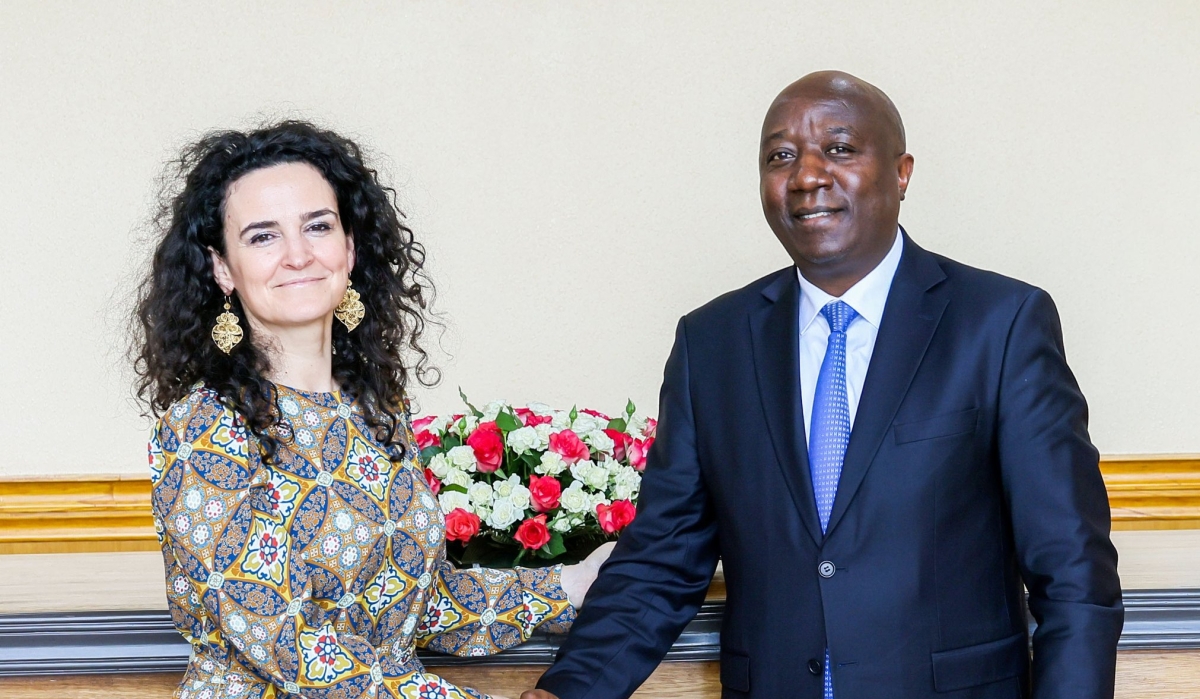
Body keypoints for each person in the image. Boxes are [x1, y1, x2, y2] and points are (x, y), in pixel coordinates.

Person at [521, 72, 1123, 699]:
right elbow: (662, 558)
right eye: (781, 156)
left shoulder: (999, 324)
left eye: (839, 149)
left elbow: (1072, 571)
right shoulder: (712, 342)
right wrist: (567, 689)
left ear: (902, 172)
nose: (807, 176)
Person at [132, 121, 612, 699]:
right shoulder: (204, 427)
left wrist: (572, 583)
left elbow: (419, 606)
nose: (298, 255)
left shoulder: (375, 410)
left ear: (350, 247)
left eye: (318, 226)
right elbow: (289, 645)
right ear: (222, 268)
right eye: (263, 236)